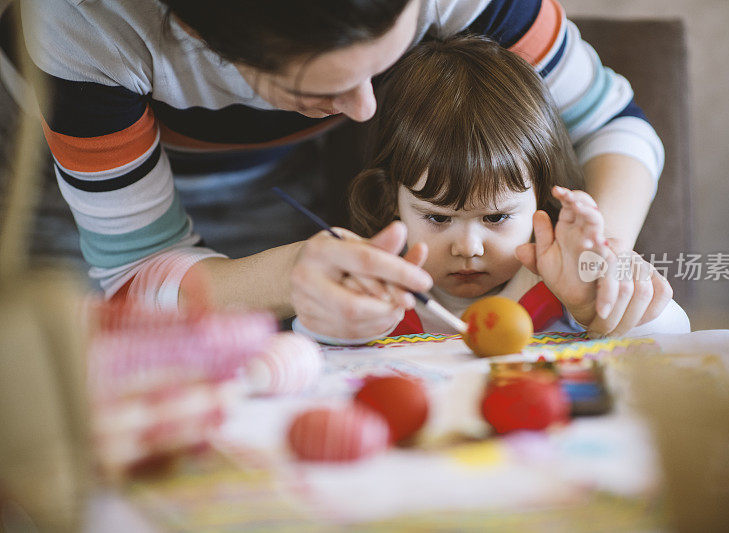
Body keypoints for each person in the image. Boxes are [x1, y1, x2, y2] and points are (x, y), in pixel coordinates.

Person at [4, 0, 665, 333]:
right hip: (52, 192)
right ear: (203, 43)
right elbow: (133, 273)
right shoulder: (83, 23)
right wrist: (291, 274)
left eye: (385, 62)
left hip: (277, 180)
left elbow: (614, 124)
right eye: (318, 93)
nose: (364, 109)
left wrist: (597, 262)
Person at [293, 36, 688, 343]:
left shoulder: (564, 290)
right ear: (392, 200)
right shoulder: (378, 297)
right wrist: (339, 322)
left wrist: (597, 308)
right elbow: (308, 344)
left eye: (496, 217)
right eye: (437, 217)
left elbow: (672, 336)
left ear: (543, 199)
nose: (468, 247)